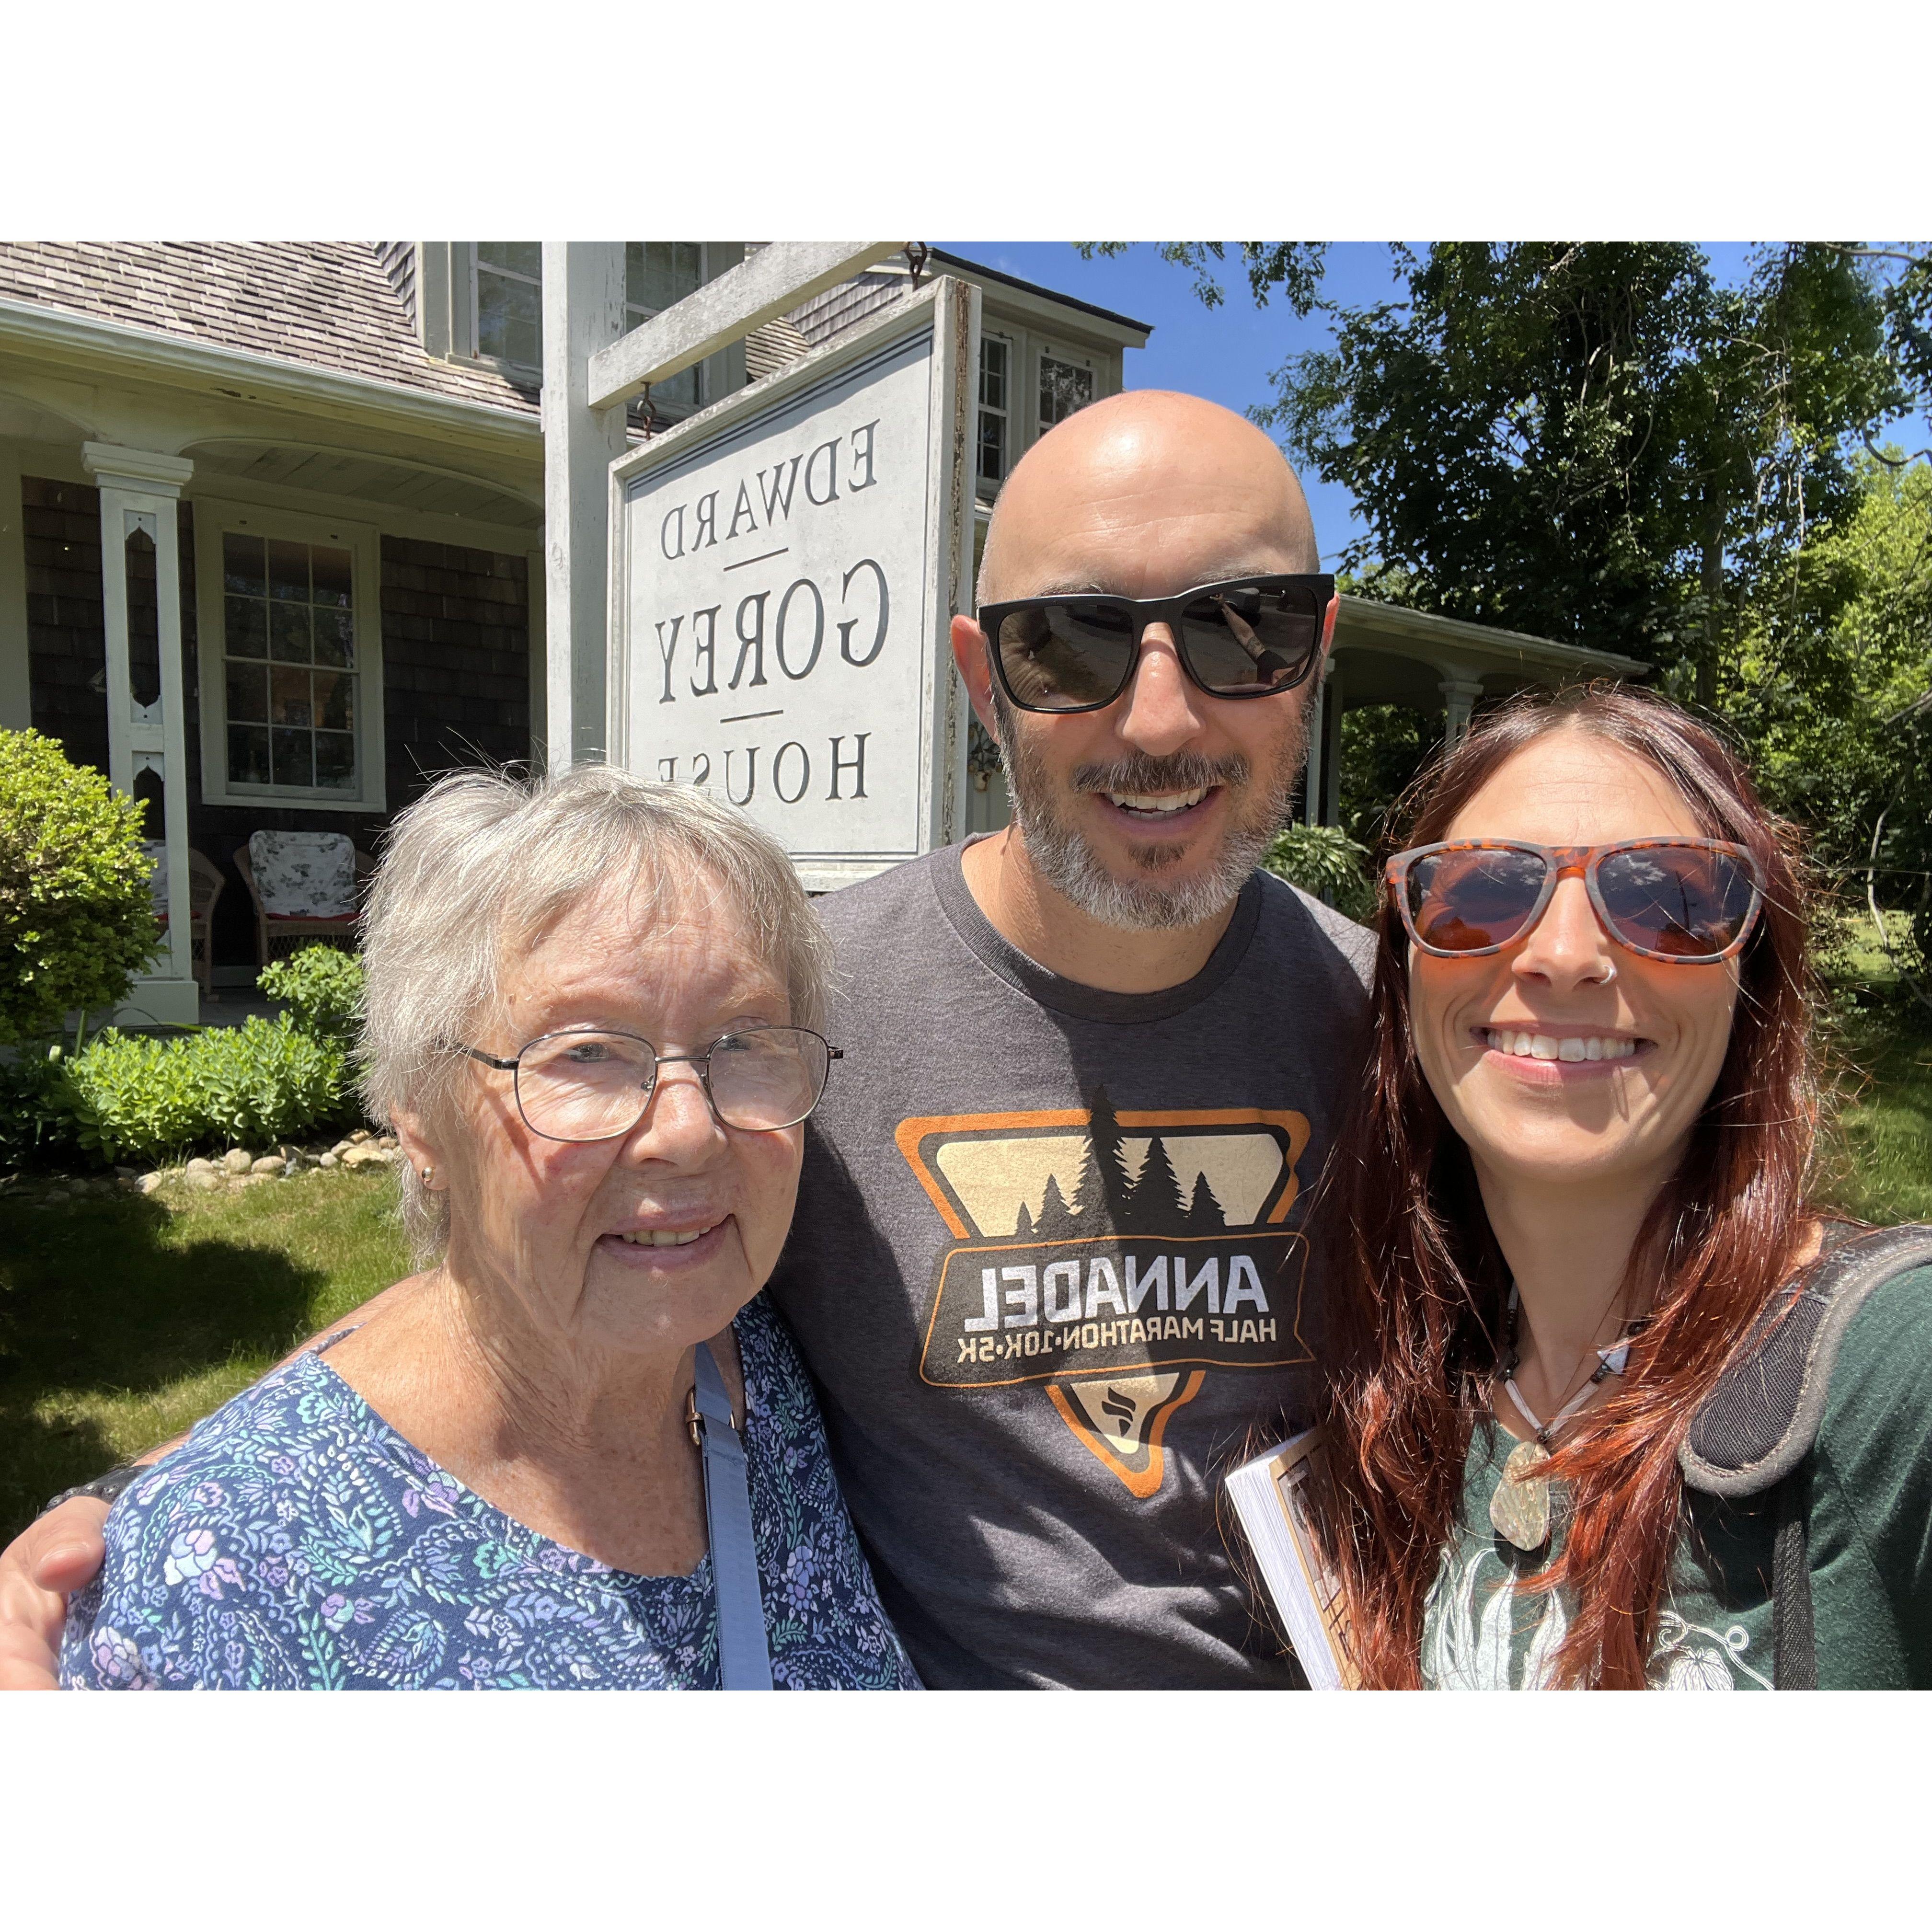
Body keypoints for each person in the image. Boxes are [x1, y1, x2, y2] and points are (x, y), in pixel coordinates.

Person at [3, 390, 1375, 1691]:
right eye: (1070, 643)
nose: (1159, 718)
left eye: (1240, 629)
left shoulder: (1399, 1029)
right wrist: (168, 1500)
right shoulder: (789, 1011)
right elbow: (512, 1252)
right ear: (984, 677)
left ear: (1316, 648)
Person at [57, 764, 919, 1689]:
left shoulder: (770, 1370)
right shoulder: (230, 1580)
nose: (689, 1130)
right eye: (586, 1051)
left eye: (745, 1041)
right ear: (418, 1114)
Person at [1313, 685, 1932, 1690]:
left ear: (1752, 970)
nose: (1564, 957)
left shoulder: (1892, 1376)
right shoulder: (1405, 1399)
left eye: (1667, 899)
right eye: (1480, 894)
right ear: (1407, 965)